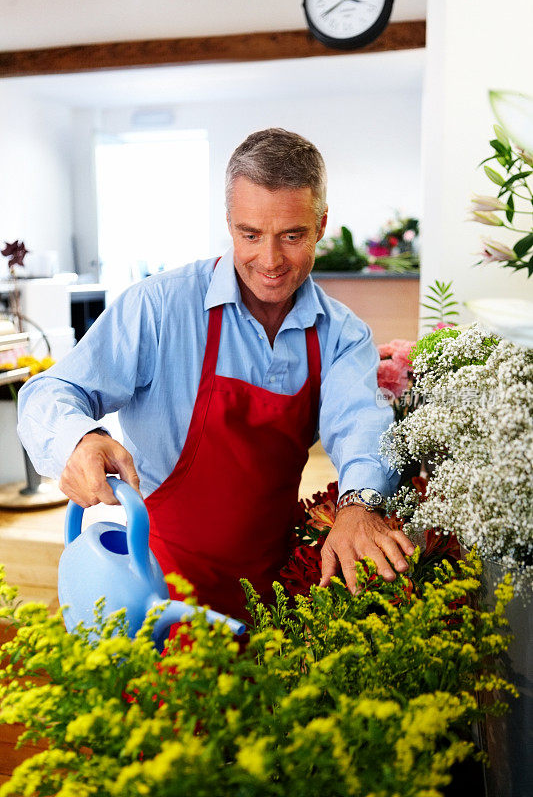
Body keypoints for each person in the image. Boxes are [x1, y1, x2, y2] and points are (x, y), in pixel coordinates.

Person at [18, 128, 413, 621]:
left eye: (292, 236)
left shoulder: (340, 335)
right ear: (229, 223)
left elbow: (361, 424)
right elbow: (51, 391)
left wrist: (359, 505)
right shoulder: (160, 307)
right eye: (250, 235)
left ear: (320, 225)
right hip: (157, 586)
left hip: (275, 585)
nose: (270, 261)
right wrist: (77, 440)